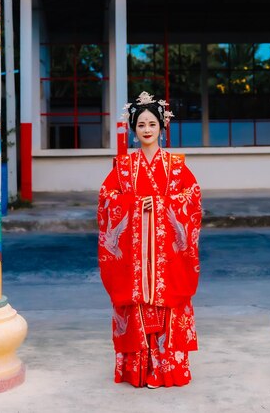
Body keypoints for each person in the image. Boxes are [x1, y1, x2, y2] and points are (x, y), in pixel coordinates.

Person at [98, 91, 202, 388]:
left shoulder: (177, 165)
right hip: (134, 257)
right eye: (141, 124)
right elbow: (107, 199)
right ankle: (139, 370)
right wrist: (133, 204)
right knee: (137, 305)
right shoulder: (123, 166)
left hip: (166, 255)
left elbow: (192, 198)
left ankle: (166, 369)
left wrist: (158, 206)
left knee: (168, 304)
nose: (146, 129)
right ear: (133, 129)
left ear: (161, 128)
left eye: (152, 124)